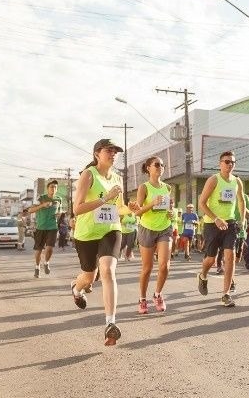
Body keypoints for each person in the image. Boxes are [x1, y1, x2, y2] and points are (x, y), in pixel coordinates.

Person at [69, 139, 126, 346]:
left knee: (108, 271)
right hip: (86, 234)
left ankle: (110, 324)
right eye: (109, 151)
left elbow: (119, 209)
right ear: (97, 154)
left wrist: (132, 209)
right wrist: (104, 199)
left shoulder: (117, 179)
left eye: (116, 152)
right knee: (89, 277)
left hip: (110, 230)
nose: (113, 154)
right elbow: (78, 208)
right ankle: (76, 289)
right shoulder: (88, 175)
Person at [197, 151, 245, 307]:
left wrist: (242, 220)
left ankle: (226, 294)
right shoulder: (213, 180)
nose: (230, 164)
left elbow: (241, 201)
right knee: (210, 259)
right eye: (226, 161)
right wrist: (216, 219)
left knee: (229, 255)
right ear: (220, 164)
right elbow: (202, 203)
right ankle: (203, 275)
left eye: (232, 162)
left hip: (230, 223)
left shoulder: (237, 182)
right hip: (212, 223)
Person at [135, 156, 174, 314]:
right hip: (147, 228)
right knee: (147, 268)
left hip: (165, 228)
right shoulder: (143, 188)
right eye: (157, 165)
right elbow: (137, 211)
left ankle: (157, 294)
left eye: (162, 165)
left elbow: (168, 208)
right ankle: (142, 298)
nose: (160, 167)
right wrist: (152, 203)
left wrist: (170, 213)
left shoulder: (167, 187)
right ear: (148, 168)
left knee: (164, 266)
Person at [27, 179, 61, 278]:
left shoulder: (58, 199)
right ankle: (37, 267)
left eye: (55, 187)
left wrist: (58, 214)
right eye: (51, 187)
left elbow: (60, 210)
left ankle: (46, 263)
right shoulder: (40, 198)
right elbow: (30, 210)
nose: (53, 189)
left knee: (50, 248)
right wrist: (42, 205)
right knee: (39, 250)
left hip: (52, 227)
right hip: (41, 227)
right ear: (47, 189)